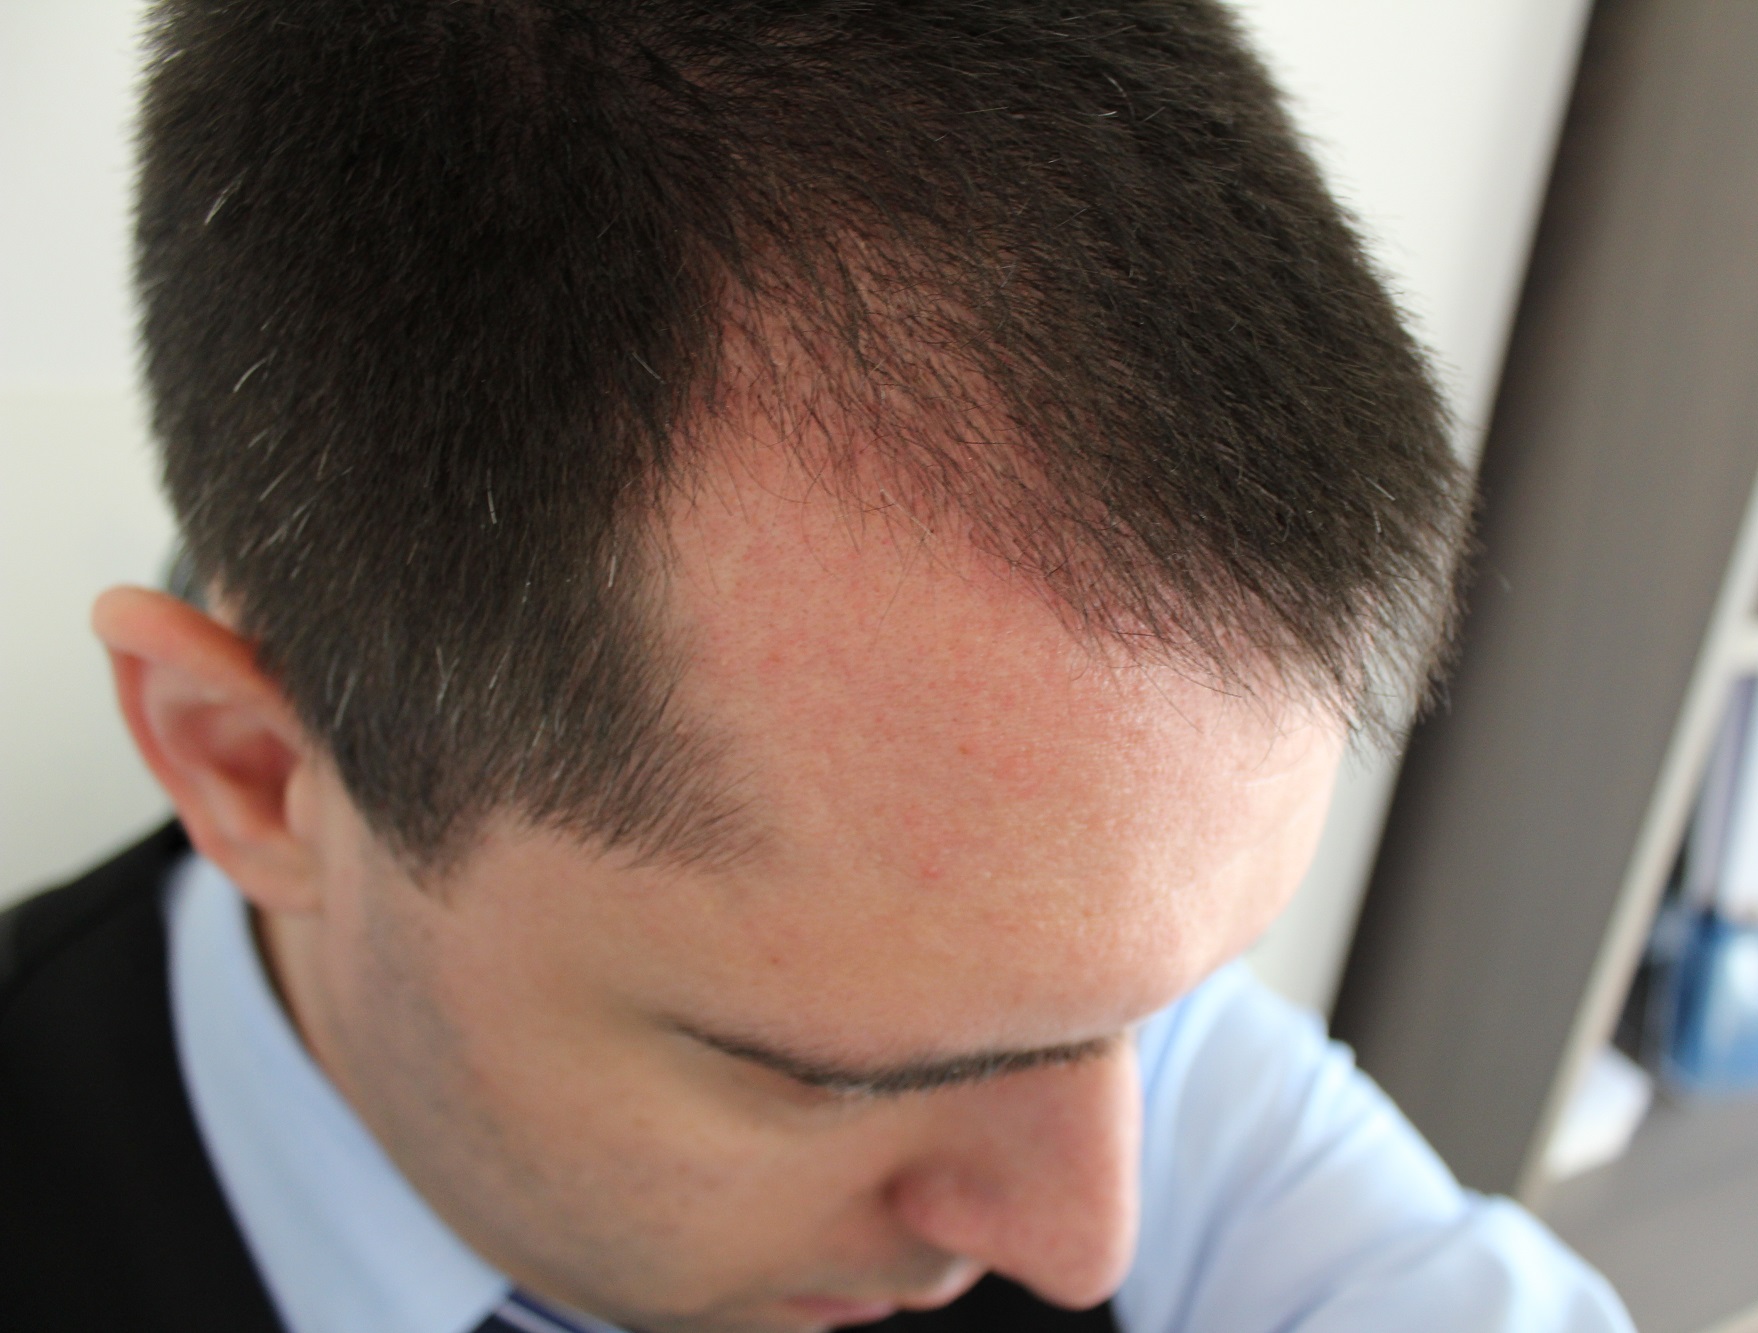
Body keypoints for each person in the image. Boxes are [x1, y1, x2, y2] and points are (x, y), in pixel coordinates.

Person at [0, 2, 1632, 1330]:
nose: (1086, 1242)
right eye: (839, 1082)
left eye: (1174, 1002)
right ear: (252, 767)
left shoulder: (1061, 984)